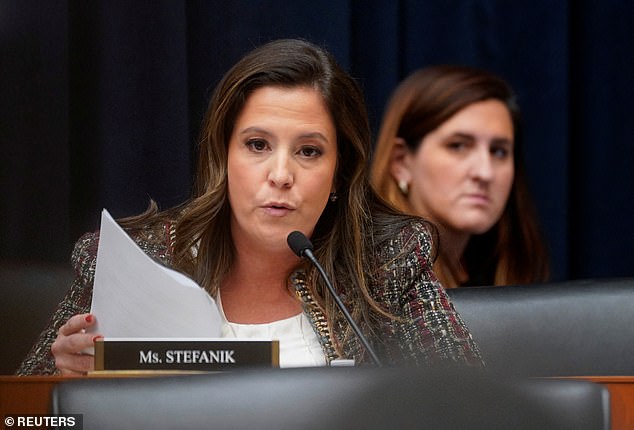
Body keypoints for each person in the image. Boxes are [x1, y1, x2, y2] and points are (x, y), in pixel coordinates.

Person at [18, 39, 482, 375]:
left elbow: (471, 409)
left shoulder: (386, 264)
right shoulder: (136, 262)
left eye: (309, 151)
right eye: (258, 145)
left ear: (340, 172)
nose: (280, 174)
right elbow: (22, 420)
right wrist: (63, 388)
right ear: (224, 158)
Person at [371, 65, 549, 289]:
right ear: (402, 162)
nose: (484, 172)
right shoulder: (372, 283)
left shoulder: (495, 275)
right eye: (458, 146)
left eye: (499, 151)